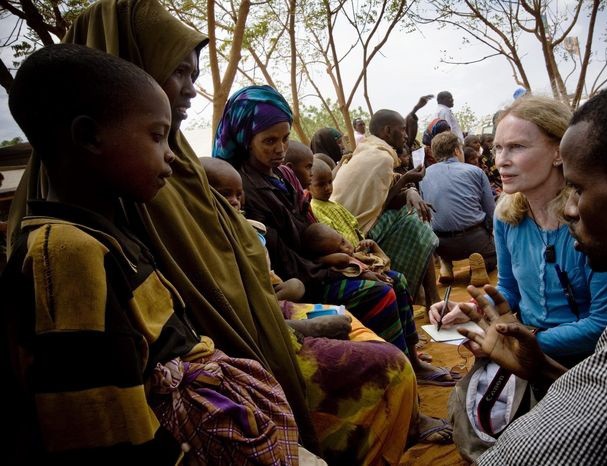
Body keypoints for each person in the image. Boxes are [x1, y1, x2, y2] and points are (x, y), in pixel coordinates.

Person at [3, 43, 299, 465]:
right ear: (88, 137)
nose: (171, 154)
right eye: (157, 136)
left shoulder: (104, 232)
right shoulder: (66, 255)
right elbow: (102, 428)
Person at [212, 84, 455, 452]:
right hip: (295, 278)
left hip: (313, 263)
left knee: (396, 280)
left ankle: (411, 364)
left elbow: (309, 226)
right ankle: (408, 414)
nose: (279, 149)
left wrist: (346, 257)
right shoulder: (241, 185)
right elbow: (277, 257)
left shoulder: (284, 177)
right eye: (269, 141)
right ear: (246, 138)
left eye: (284, 139)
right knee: (377, 295)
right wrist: (333, 268)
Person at [431, 95, 607, 367]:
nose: (501, 161)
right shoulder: (506, 217)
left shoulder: (598, 220)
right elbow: (509, 288)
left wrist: (522, 342)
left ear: (558, 151)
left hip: (593, 363)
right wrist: (473, 311)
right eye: (498, 148)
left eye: (516, 147)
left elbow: (605, 322)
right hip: (526, 350)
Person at [331, 109, 440, 303]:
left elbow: (383, 193)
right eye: (403, 130)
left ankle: (428, 296)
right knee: (416, 222)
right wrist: (406, 181)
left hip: (348, 229)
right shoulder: (381, 158)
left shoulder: (368, 150)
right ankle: (429, 297)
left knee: (415, 214)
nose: (406, 135)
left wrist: (409, 190)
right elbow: (382, 205)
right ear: (388, 131)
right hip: (358, 234)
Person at [421, 132, 497, 285]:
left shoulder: (423, 175)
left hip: (440, 243)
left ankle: (446, 264)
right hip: (474, 240)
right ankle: (479, 266)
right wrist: (491, 235)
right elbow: (490, 212)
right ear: (456, 151)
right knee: (495, 253)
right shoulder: (475, 171)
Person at [302, 222, 393, 283]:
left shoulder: (358, 255)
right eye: (338, 251)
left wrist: (373, 245)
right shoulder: (341, 265)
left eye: (343, 241)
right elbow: (343, 258)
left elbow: (386, 261)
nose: (345, 249)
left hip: (385, 277)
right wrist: (321, 259)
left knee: (399, 278)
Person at [309, 159, 363, 246]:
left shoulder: (334, 204)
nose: (328, 188)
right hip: (346, 251)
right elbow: (332, 235)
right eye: (321, 184)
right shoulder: (315, 208)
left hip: (358, 247)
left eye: (330, 182)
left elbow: (353, 224)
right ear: (308, 187)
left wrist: (362, 241)